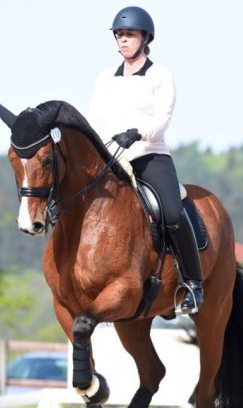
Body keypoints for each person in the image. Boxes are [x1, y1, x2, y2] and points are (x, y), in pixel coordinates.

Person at [88, 6, 203, 314]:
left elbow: (162, 120)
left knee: (172, 212)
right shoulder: (104, 78)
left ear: (144, 38)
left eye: (129, 35)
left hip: (149, 155)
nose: (123, 40)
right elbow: (96, 120)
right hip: (111, 157)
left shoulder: (161, 75)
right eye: (119, 35)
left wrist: (136, 133)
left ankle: (193, 283)